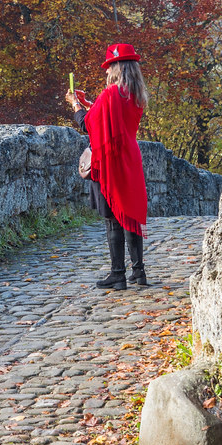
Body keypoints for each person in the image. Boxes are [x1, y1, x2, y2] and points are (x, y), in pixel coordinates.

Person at [65, 43, 149, 290]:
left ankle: (117, 274)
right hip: (130, 158)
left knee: (113, 218)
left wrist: (75, 105)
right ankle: (139, 272)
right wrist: (89, 103)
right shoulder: (135, 95)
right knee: (130, 215)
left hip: (111, 160)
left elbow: (89, 125)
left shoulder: (110, 95)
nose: (106, 72)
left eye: (109, 66)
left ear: (118, 68)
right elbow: (111, 119)